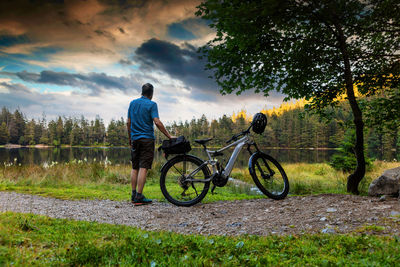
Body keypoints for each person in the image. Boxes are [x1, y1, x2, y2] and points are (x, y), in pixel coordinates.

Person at [127, 83, 172, 205]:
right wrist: (169, 136)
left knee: (135, 167)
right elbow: (157, 122)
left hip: (135, 139)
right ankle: (139, 197)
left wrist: (130, 137)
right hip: (147, 139)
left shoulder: (132, 103)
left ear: (142, 92)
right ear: (151, 94)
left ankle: (133, 194)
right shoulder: (152, 104)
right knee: (143, 167)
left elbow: (128, 122)